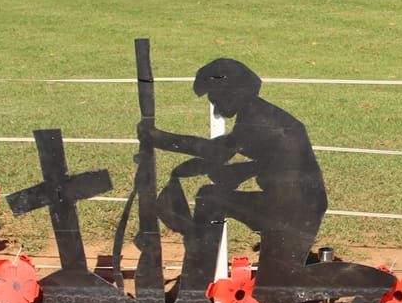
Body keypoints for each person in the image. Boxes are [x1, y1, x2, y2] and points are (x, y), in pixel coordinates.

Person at [137, 57, 329, 290]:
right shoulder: (261, 114)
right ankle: (195, 284)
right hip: (293, 204)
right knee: (276, 281)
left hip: (292, 210)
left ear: (233, 93)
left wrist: (159, 138)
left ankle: (195, 288)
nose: (216, 107)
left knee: (210, 200)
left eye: (216, 98)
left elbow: (214, 152)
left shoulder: (260, 120)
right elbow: (249, 159)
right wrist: (180, 171)